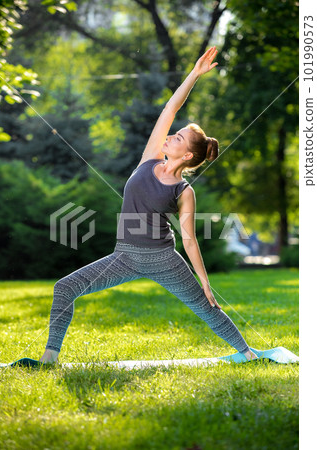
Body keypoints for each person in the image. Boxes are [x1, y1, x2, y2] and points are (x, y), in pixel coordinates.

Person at [40, 46, 258, 364]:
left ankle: (249, 354)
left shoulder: (184, 191)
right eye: (175, 134)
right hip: (124, 256)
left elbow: (189, 240)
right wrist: (194, 74)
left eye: (178, 138)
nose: (170, 136)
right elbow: (170, 109)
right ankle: (48, 359)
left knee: (207, 307)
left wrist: (206, 282)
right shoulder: (149, 159)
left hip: (164, 260)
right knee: (65, 288)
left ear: (186, 157)